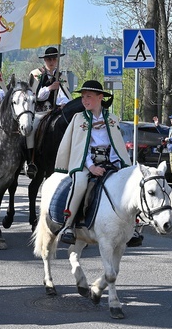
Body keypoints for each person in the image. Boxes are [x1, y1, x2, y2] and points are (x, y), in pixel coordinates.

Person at [55, 80, 131, 245]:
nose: (84, 100)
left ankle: (133, 227)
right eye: (83, 97)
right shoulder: (79, 118)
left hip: (110, 161)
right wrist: (91, 167)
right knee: (81, 183)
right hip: (85, 162)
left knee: (129, 185)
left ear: (100, 97)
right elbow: (79, 147)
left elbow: (116, 143)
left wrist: (117, 165)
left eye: (88, 96)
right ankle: (68, 225)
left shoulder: (111, 119)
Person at [26, 46, 70, 178]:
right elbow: (34, 95)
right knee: (31, 129)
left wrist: (64, 103)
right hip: (41, 111)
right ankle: (31, 160)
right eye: (49, 59)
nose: (51, 62)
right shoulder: (36, 74)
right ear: (44, 60)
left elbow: (65, 94)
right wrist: (50, 88)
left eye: (54, 59)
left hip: (56, 112)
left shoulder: (62, 76)